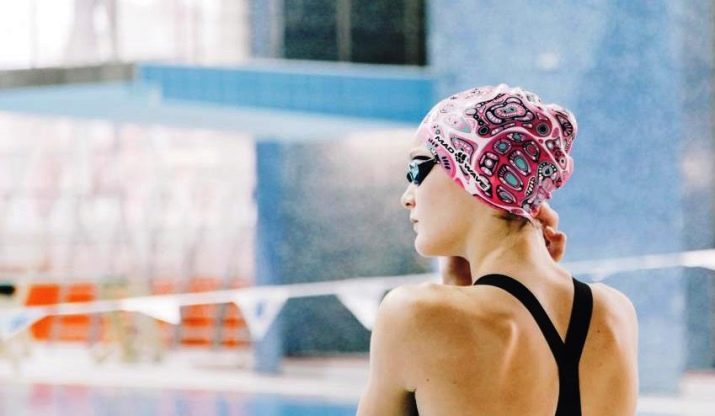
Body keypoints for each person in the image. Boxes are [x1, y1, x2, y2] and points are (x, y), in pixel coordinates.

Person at [356, 84, 638, 415]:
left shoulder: (414, 315)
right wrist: (461, 286)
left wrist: (456, 292)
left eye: (417, 169)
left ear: (471, 174)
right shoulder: (614, 313)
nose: (407, 197)